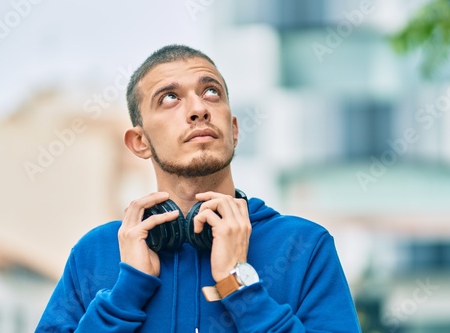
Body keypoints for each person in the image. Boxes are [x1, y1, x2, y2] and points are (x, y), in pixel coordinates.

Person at [36, 44, 361, 332]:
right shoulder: (94, 253)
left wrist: (238, 284)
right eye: (169, 98)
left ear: (233, 130)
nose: (198, 109)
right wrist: (127, 292)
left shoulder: (304, 246)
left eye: (211, 92)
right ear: (139, 142)